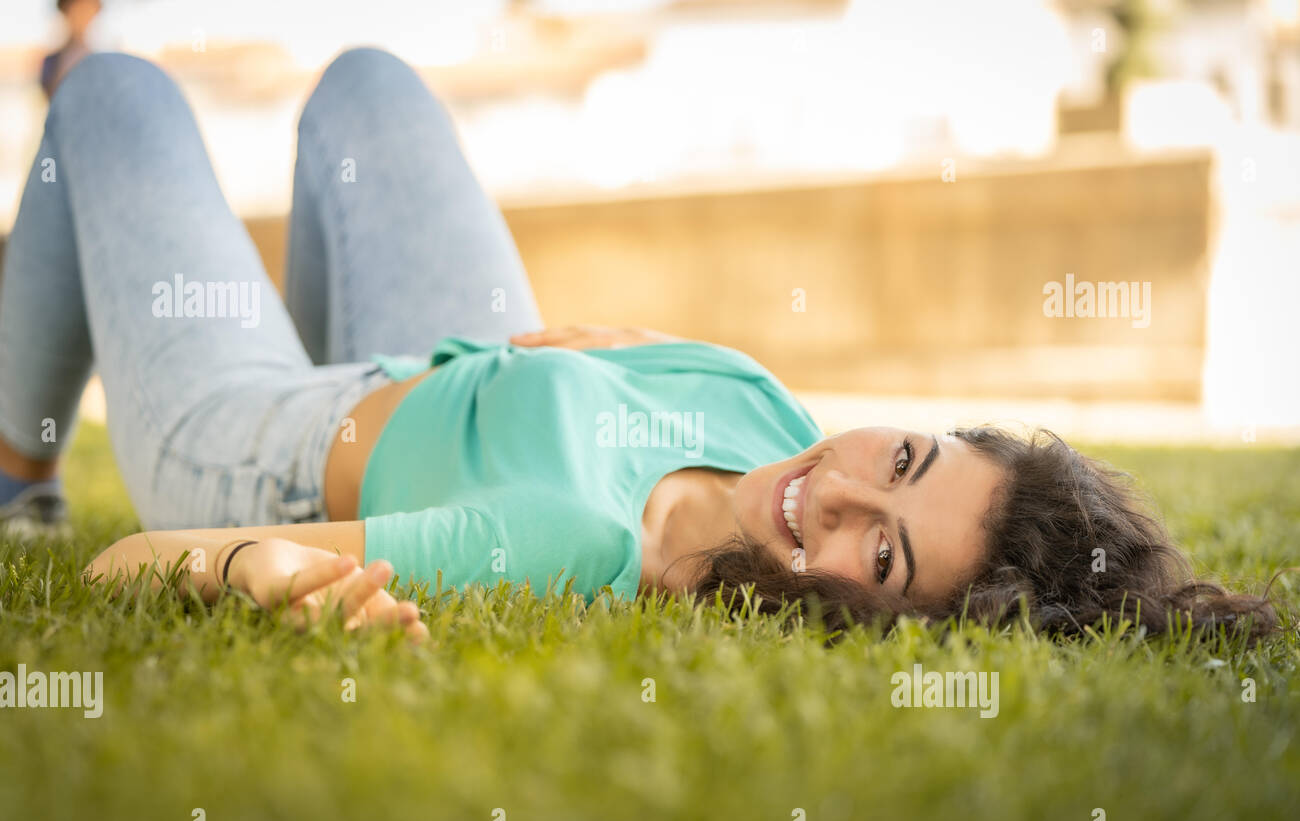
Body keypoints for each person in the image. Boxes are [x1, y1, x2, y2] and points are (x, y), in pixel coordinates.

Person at [0, 50, 1279, 641]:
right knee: (369, 87)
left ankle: (18, 462)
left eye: (875, 553)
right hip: (446, 363)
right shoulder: (771, 415)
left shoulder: (567, 541)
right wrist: (616, 364)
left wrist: (261, 565)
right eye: (899, 455)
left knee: (114, 97)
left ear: (866, 622)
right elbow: (666, 377)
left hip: (260, 438)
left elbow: (132, 565)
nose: (824, 487)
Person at [39, 0, 102, 100]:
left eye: (87, 11)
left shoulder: (102, 63)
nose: (82, 16)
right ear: (65, 12)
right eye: (77, 10)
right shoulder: (51, 62)